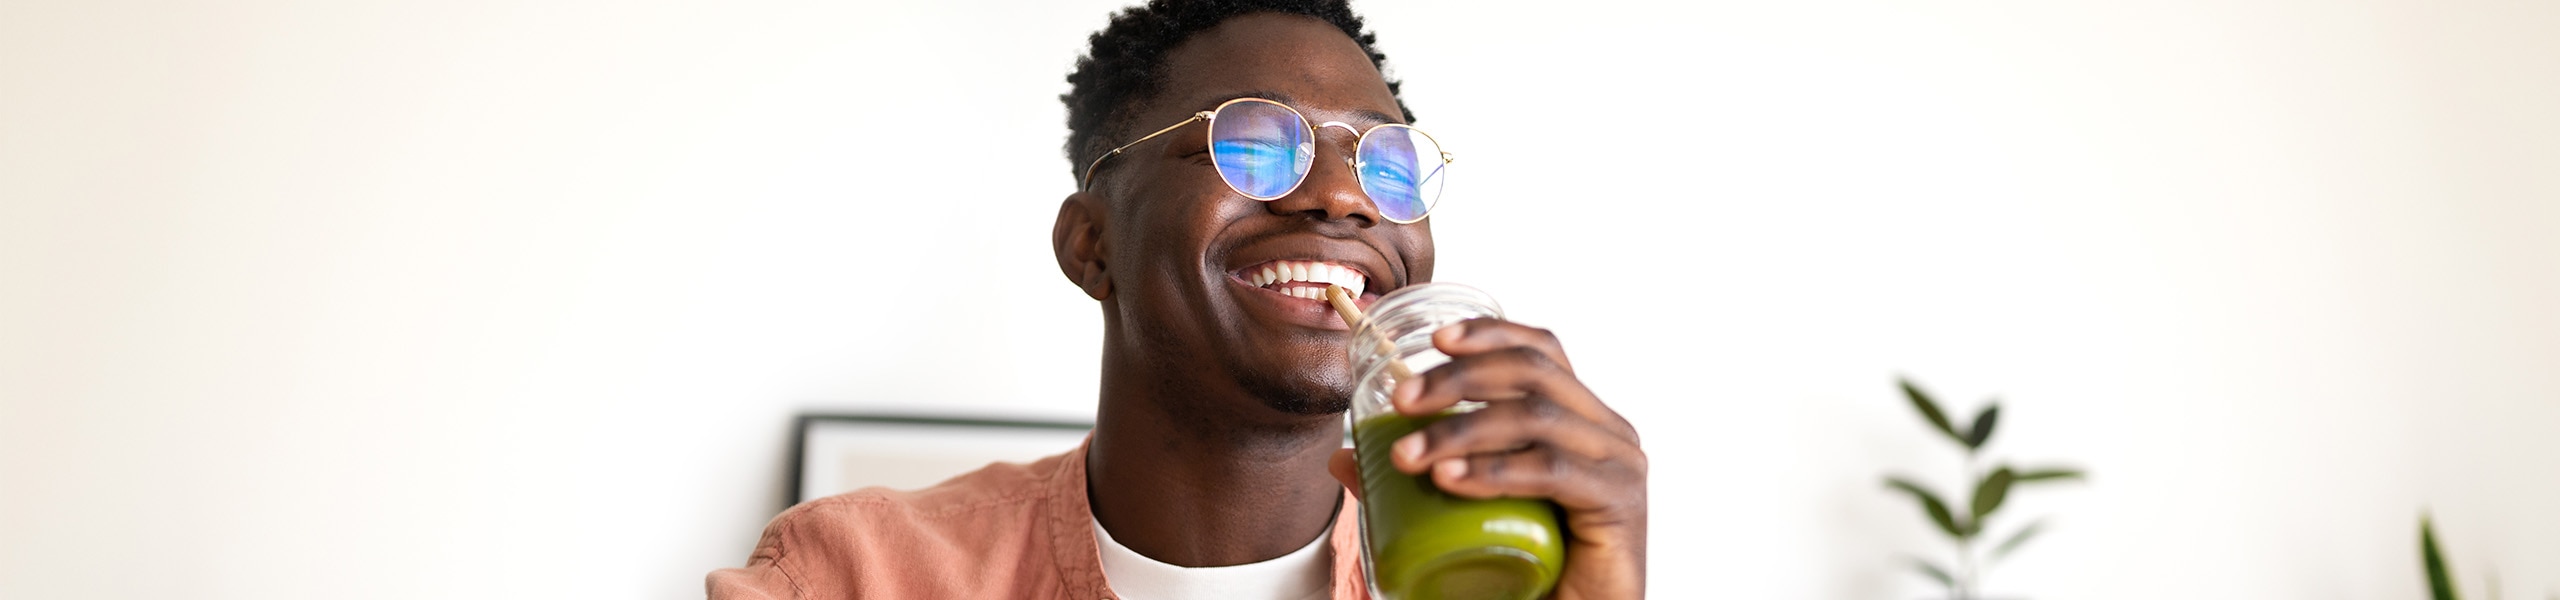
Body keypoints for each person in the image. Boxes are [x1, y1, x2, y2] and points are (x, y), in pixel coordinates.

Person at [706, 1, 1646, 597]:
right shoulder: (855, 576)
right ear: (1091, 243)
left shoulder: (1499, 576)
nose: (1344, 195)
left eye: (1386, 162)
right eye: (1254, 141)